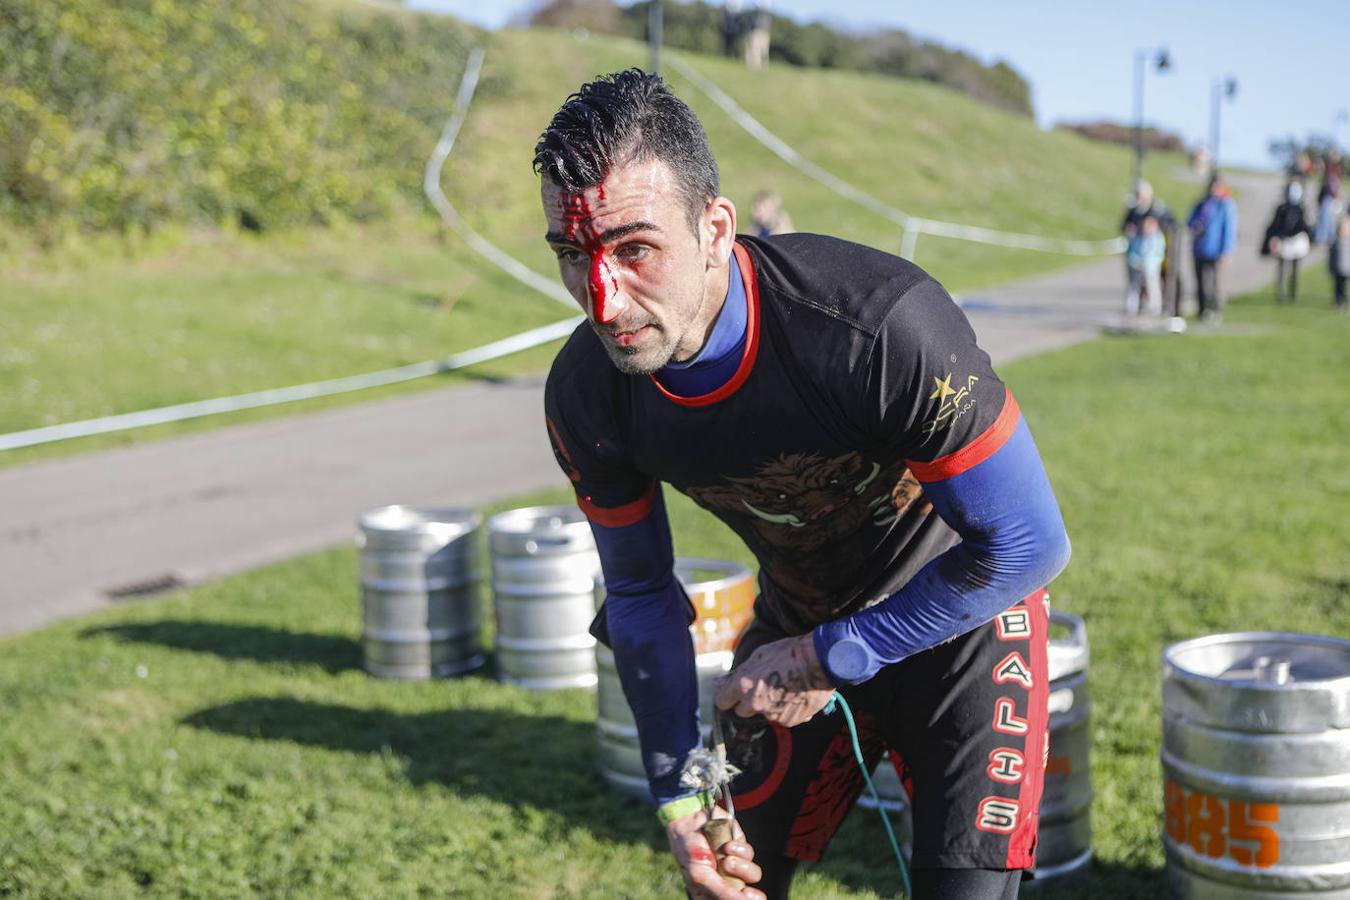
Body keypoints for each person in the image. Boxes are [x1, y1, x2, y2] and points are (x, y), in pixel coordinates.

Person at [534, 70, 1071, 900]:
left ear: (715, 229)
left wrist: (831, 657)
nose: (603, 301)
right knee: (724, 881)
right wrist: (679, 793)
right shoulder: (587, 389)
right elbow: (641, 592)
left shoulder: (876, 326)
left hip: (965, 627)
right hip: (799, 622)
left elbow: (1029, 543)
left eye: (634, 248)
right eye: (574, 255)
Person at [1186, 174, 1239, 323]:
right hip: (1199, 249)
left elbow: (1229, 230)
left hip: (1216, 250)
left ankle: (1216, 310)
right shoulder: (1201, 204)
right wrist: (1196, 225)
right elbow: (1190, 222)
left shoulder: (1226, 205)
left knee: (1215, 283)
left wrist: (1227, 251)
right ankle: (1202, 311)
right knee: (1200, 282)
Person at [1121, 180, 1178, 314]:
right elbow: (1124, 226)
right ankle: (1132, 309)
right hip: (1135, 252)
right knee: (1134, 283)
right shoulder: (1133, 211)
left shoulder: (1156, 209)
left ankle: (1155, 309)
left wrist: (1154, 227)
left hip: (1151, 253)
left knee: (1152, 282)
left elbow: (1169, 224)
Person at [1264, 182, 1312, 303]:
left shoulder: (1301, 209)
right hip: (1284, 242)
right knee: (1282, 269)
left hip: (1297, 242)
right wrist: (1274, 238)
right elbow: (1275, 226)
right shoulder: (1282, 209)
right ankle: (1280, 294)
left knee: (1295, 271)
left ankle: (1293, 295)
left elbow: (1304, 226)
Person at [1125, 213, 1166, 317]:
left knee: (1153, 287)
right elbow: (1132, 252)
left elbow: (1159, 253)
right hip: (1138, 266)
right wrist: (1136, 262)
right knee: (1134, 288)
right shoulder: (1138, 238)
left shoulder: (1158, 238)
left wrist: (1152, 264)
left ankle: (1155, 309)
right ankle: (1131, 308)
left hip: (1151, 268)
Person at [1315, 152, 1342, 245]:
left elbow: (1333, 186)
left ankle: (1323, 237)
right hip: (1328, 197)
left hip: (1328, 197)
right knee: (1329, 218)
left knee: (1326, 218)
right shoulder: (1331, 169)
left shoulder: (1332, 170)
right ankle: (1330, 237)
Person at [1329, 216, 1350, 312]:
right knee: (1337, 287)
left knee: (1344, 287)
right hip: (1338, 270)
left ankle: (1344, 301)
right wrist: (1331, 268)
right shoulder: (1335, 243)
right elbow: (1332, 258)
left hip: (1346, 270)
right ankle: (1338, 302)